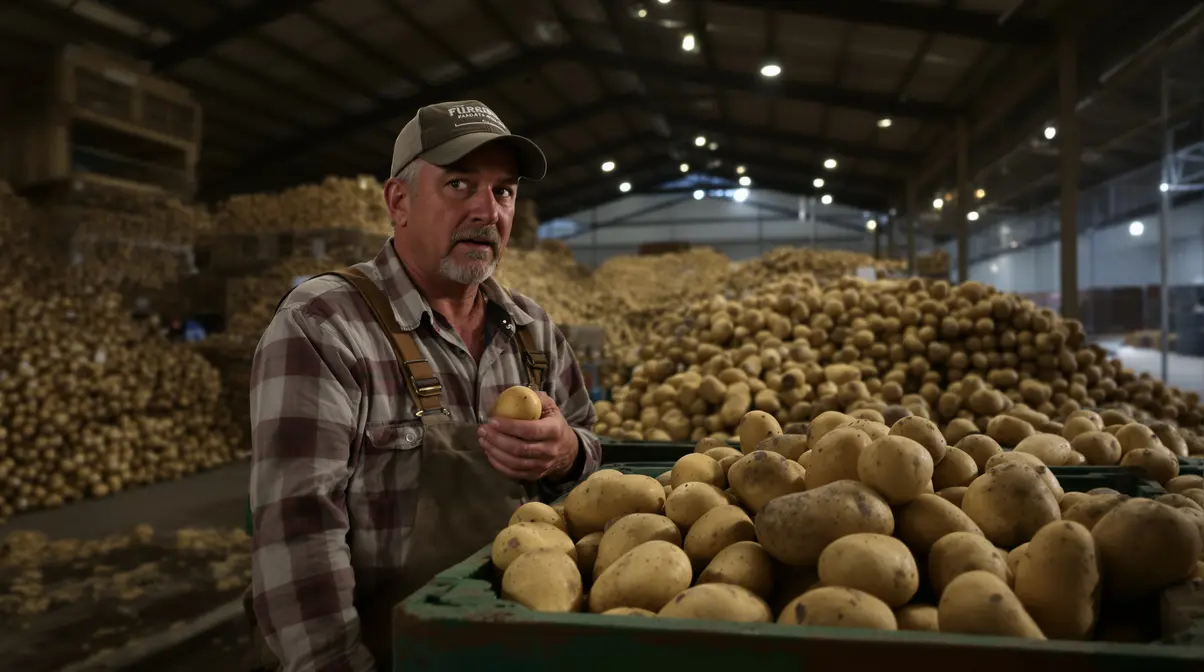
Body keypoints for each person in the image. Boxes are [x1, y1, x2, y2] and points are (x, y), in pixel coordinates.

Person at [246, 100, 601, 671]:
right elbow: (297, 537)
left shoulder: (533, 330)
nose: (488, 211)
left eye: (504, 191)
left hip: (514, 650)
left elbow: (591, 451)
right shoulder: (324, 324)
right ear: (399, 201)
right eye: (460, 184)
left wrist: (566, 452)